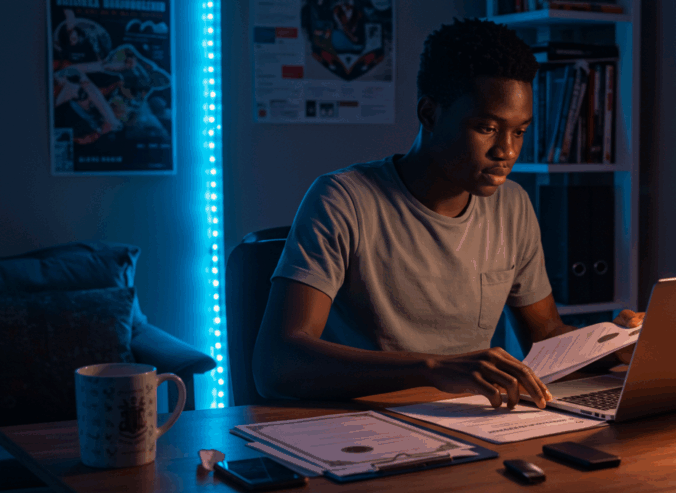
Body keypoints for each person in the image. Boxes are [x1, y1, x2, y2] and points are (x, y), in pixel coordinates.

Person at [253, 18, 644, 409]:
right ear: (429, 114)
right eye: (487, 128)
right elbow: (278, 365)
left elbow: (545, 336)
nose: (506, 151)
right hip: (365, 428)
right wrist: (433, 368)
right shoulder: (343, 200)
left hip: (471, 422)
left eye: (520, 131)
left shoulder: (513, 206)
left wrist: (618, 345)